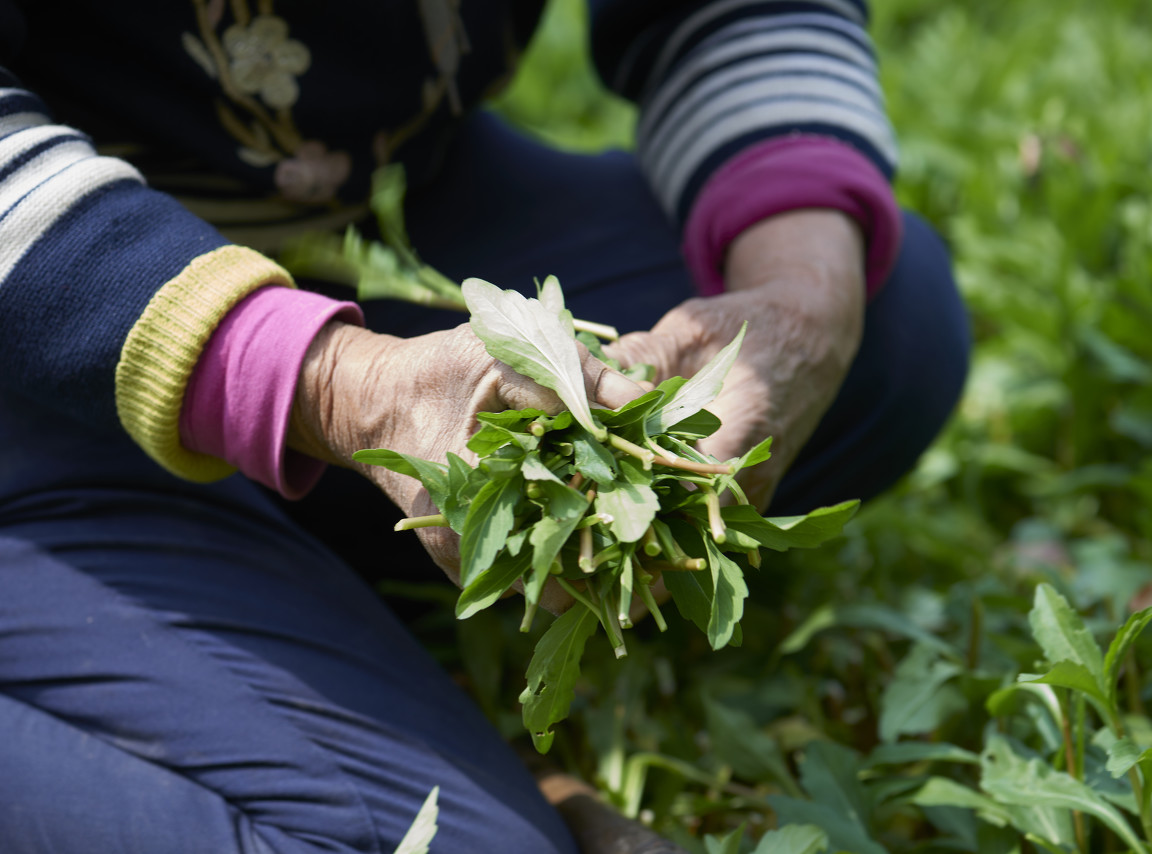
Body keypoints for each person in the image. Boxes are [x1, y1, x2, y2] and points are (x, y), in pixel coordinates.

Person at [0, 0, 969, 851]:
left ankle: (260, 581)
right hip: (33, 317)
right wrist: (340, 387)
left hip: (354, 208)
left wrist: (802, 297)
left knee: (881, 327)